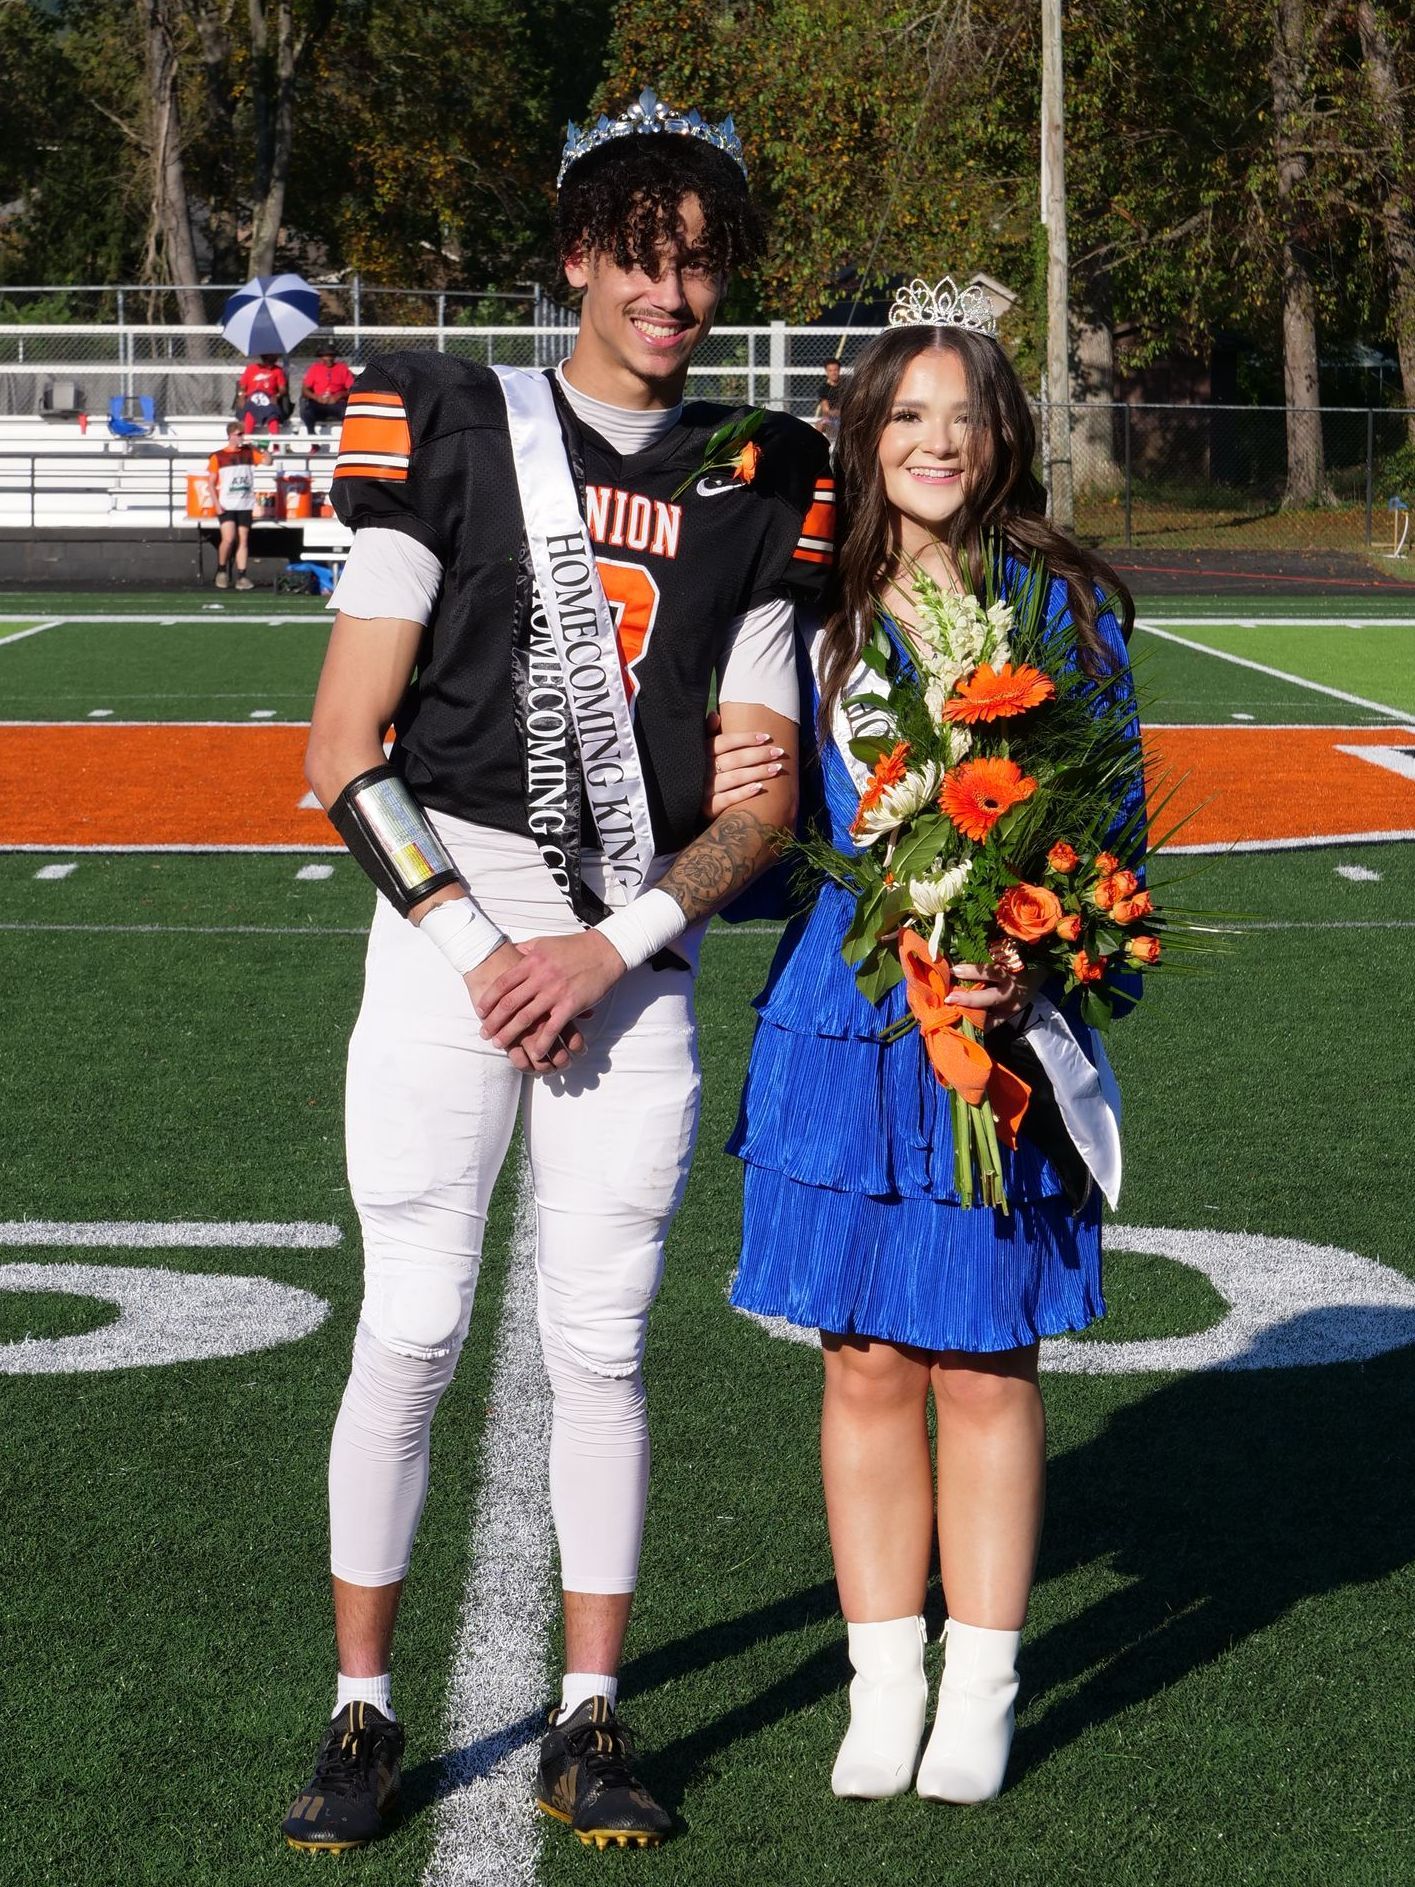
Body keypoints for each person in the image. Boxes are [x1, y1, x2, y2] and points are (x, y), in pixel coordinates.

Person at [279, 88, 832, 1855]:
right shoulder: (452, 418)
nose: (677, 296)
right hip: (453, 920)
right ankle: (361, 1708)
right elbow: (343, 744)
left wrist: (605, 946)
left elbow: (759, 795)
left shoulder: (760, 479)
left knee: (599, 1342)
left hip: (632, 941)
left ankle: (592, 1711)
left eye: (704, 267)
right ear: (583, 257)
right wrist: (480, 943)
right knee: (418, 1319)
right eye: (647, 259)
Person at [726, 287, 1143, 1806]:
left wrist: (1037, 948)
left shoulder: (1064, 612)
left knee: (982, 1354)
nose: (936, 440)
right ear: (864, 433)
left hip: (994, 1028)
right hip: (843, 1027)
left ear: (1004, 438)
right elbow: (768, 850)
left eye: (963, 416)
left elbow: (1116, 837)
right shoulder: (803, 611)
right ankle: (879, 1677)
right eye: (906, 414)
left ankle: (981, 1681)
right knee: (863, 1356)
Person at [207, 419, 264, 589]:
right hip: (227, 503)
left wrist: (259, 448)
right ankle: (222, 570)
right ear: (230, 435)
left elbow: (267, 461)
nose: (241, 437)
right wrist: (216, 504)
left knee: (243, 540)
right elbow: (210, 483)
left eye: (242, 434)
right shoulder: (218, 456)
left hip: (245, 503)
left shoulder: (249, 453)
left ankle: (242, 576)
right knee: (229, 539)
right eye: (239, 434)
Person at [300, 338, 355, 432]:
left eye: (331, 355)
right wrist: (316, 397)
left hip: (337, 403)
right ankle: (313, 440)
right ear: (321, 357)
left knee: (348, 413)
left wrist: (339, 395)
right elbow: (305, 389)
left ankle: (345, 439)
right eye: (325, 355)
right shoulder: (315, 368)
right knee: (307, 413)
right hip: (318, 403)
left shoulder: (342, 368)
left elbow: (352, 389)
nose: (329, 358)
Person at [236, 351, 288, 435]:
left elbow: (283, 389)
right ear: (267, 356)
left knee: (273, 417)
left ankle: (275, 444)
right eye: (274, 355)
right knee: (249, 415)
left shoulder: (278, 371)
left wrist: (277, 396)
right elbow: (242, 387)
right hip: (252, 399)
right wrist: (241, 396)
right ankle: (246, 442)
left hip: (267, 399)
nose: (277, 357)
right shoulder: (251, 368)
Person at [813, 354, 845, 435]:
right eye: (830, 370)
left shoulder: (846, 386)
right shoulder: (823, 389)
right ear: (826, 372)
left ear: (839, 370)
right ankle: (818, 446)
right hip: (830, 420)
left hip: (846, 418)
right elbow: (826, 410)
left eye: (835, 370)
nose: (833, 373)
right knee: (819, 424)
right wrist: (840, 412)